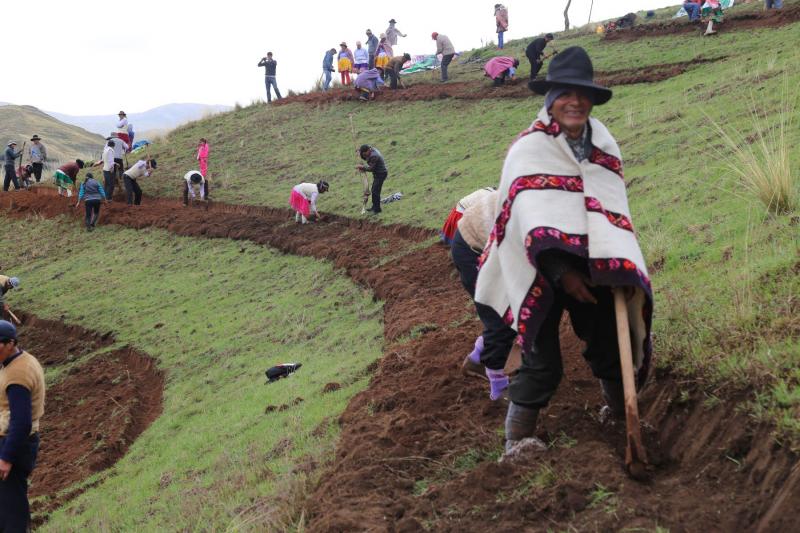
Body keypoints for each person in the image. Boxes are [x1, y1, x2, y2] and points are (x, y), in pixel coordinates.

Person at [475, 47, 653, 458]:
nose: (574, 102)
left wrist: (620, 267)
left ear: (591, 99)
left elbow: (612, 213)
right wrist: (561, 274)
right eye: (564, 93)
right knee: (542, 360)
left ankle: (619, 412)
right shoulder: (528, 150)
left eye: (582, 94)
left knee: (610, 338)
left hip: (593, 264)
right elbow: (523, 222)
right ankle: (517, 441)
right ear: (549, 98)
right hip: (536, 269)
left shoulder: (604, 145)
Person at [449, 188, 517, 401]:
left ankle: (477, 359)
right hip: (473, 248)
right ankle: (499, 387)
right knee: (501, 315)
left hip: (493, 242)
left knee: (517, 309)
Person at [0, 320, 45, 533]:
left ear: (10, 343)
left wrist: (6, 458)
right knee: (11, 501)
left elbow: (21, 421)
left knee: (11, 508)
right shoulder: (23, 360)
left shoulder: (17, 374)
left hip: (14, 445)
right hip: (17, 442)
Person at [356, 145, 387, 214]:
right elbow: (366, 157)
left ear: (368, 151)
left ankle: (377, 209)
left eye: (364, 154)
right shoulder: (371, 149)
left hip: (381, 174)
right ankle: (374, 207)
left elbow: (371, 168)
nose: (365, 156)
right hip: (378, 174)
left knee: (375, 191)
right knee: (374, 190)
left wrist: (362, 167)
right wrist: (359, 152)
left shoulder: (374, 156)